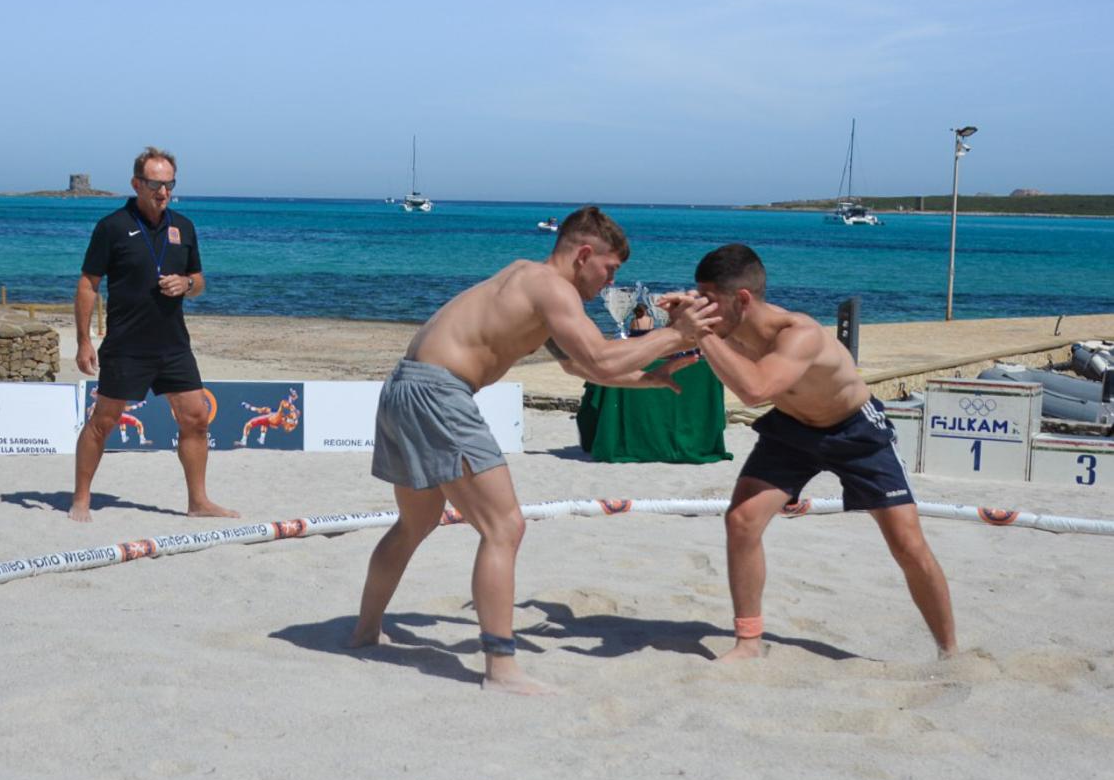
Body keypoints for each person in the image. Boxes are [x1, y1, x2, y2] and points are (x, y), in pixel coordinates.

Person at [348, 206, 716, 694]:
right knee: (505, 526)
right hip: (438, 393)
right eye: (611, 269)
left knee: (415, 522)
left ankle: (365, 631)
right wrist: (676, 334)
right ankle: (500, 668)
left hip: (403, 387)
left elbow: (582, 367)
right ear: (584, 254)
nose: (610, 282)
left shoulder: (525, 278)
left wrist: (652, 377)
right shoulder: (553, 288)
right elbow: (601, 356)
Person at [666, 244, 955, 661]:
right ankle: (749, 643)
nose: (704, 310)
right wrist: (672, 333)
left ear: (743, 299)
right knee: (742, 521)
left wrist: (701, 332)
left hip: (856, 430)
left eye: (711, 301)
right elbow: (694, 351)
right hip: (792, 430)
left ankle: (949, 650)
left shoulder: (797, 333)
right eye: (700, 299)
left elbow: (754, 390)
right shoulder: (728, 328)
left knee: (908, 545)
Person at [69, 147, 237, 522]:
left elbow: (200, 281)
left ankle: (198, 502)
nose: (163, 192)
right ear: (137, 183)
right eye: (155, 184)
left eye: (169, 184)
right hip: (127, 344)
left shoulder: (185, 227)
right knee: (104, 421)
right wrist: (83, 340)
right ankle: (81, 499)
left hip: (174, 344)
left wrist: (187, 283)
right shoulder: (111, 227)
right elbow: (87, 284)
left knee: (195, 418)